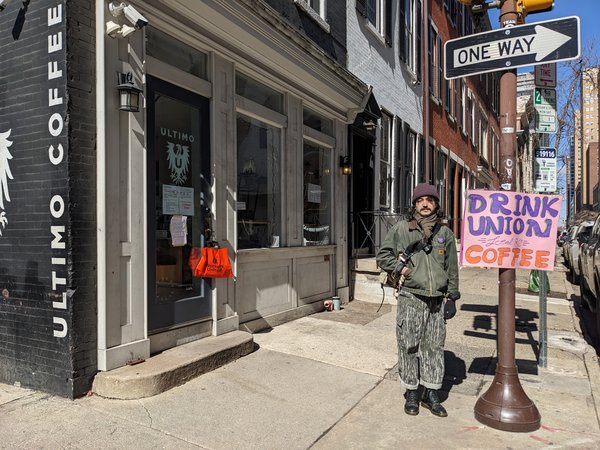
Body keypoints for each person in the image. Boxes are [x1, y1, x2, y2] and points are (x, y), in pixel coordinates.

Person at [376, 183, 459, 418]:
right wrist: (403, 271)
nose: (425, 204)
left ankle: (431, 392)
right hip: (411, 297)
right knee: (409, 344)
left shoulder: (445, 234)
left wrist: (452, 296)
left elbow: (452, 267)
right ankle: (412, 391)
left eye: (429, 200)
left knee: (434, 346)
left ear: (436, 204)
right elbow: (383, 255)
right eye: (420, 200)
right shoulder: (402, 229)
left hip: (436, 301)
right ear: (414, 204)